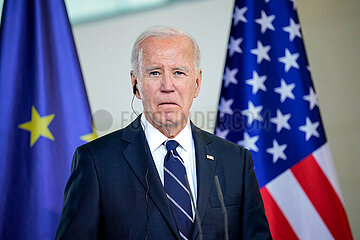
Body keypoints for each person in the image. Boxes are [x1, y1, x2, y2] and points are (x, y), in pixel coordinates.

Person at [55, 26, 271, 240]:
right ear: (136, 84)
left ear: (196, 83)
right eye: (154, 72)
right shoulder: (95, 162)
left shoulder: (235, 161)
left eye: (179, 72)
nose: (168, 86)